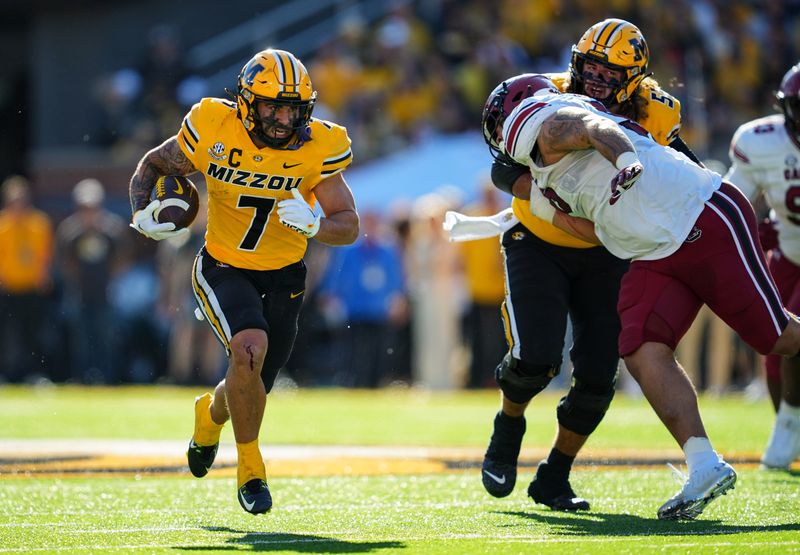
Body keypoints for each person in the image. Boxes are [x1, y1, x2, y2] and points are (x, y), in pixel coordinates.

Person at [491, 76, 800, 520]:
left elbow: (597, 130)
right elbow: (590, 228)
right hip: (653, 251)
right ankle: (704, 466)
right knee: (640, 347)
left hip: (701, 219)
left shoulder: (548, 123)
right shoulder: (544, 175)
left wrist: (627, 161)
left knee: (779, 338)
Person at [476, 19, 698, 512]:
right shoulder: (547, 95)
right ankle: (508, 424)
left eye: (611, 70)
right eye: (591, 66)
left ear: (636, 77)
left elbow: (684, 173)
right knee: (535, 358)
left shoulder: (657, 113)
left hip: (607, 251)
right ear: (575, 62)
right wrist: (557, 212)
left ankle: (554, 475)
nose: (597, 77)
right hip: (539, 239)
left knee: (599, 374)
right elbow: (502, 167)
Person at [128, 48, 359, 515]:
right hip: (223, 265)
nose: (280, 118)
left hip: (285, 275)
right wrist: (142, 214)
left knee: (251, 381)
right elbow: (153, 165)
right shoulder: (214, 124)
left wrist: (315, 226)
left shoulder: (319, 145)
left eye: (291, 109)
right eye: (271, 105)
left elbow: (349, 223)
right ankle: (251, 471)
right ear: (246, 102)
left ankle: (209, 417)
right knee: (249, 349)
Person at [725, 62, 800, 470]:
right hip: (786, 254)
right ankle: (788, 427)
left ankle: (789, 428)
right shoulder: (762, 141)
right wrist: (756, 229)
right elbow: (735, 204)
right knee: (774, 348)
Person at [56, 178, 127, 384]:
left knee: (106, 338)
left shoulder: (111, 229)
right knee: (80, 340)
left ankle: (107, 377)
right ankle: (81, 377)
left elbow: (123, 258)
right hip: (79, 294)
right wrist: (76, 280)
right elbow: (63, 261)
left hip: (105, 293)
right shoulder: (70, 231)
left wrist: (110, 278)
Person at [0, 175, 54, 382]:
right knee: (7, 335)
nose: (18, 206)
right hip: (8, 288)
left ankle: (34, 373)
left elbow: (46, 255)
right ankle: (6, 374)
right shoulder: (2, 225)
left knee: (33, 333)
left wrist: (43, 275)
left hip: (32, 288)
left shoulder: (39, 224)